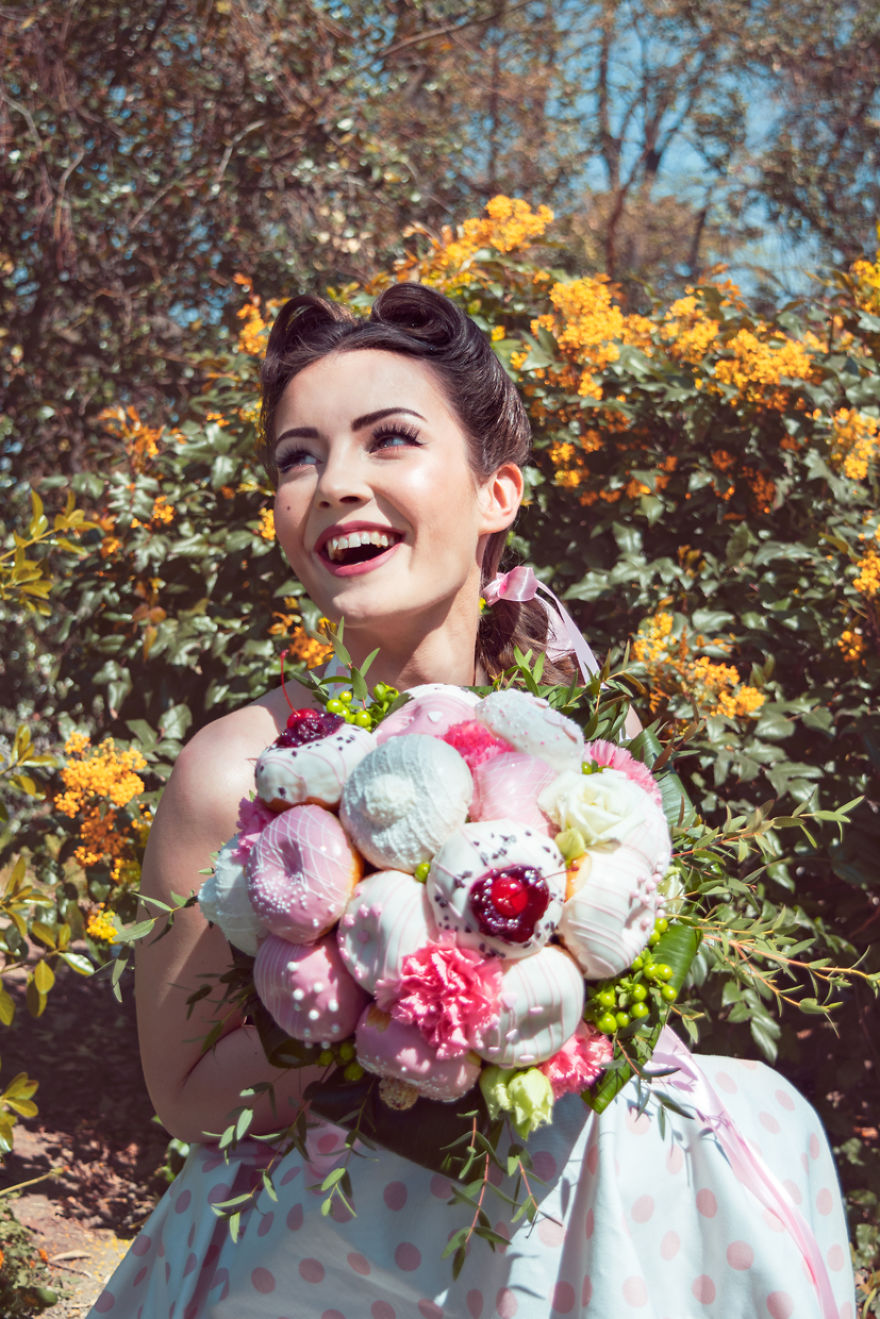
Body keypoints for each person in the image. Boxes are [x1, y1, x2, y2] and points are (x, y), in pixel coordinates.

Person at [88, 285, 854, 1319]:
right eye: (298, 456)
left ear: (497, 492)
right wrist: (381, 1011)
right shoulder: (236, 769)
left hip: (577, 1230)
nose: (333, 484)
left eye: (388, 439)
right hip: (320, 1252)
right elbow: (183, 1092)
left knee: (767, 1112)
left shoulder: (582, 754)